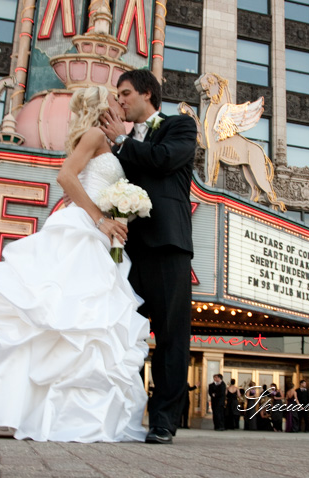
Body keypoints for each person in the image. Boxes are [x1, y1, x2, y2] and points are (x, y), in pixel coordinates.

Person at [0, 86, 148, 442]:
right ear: (101, 105)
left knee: (74, 327)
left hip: (102, 239)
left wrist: (115, 216)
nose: (120, 103)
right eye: (115, 99)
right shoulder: (92, 135)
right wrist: (100, 219)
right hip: (83, 232)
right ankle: (15, 407)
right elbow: (66, 176)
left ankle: (34, 410)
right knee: (57, 321)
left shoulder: (110, 140)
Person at [100, 69, 198, 445]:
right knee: (123, 333)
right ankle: (118, 412)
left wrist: (122, 140)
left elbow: (162, 160)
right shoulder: (115, 143)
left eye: (125, 93)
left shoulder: (180, 126)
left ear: (147, 94)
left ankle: (163, 422)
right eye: (117, 95)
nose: (120, 100)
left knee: (171, 337)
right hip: (126, 249)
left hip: (168, 246)